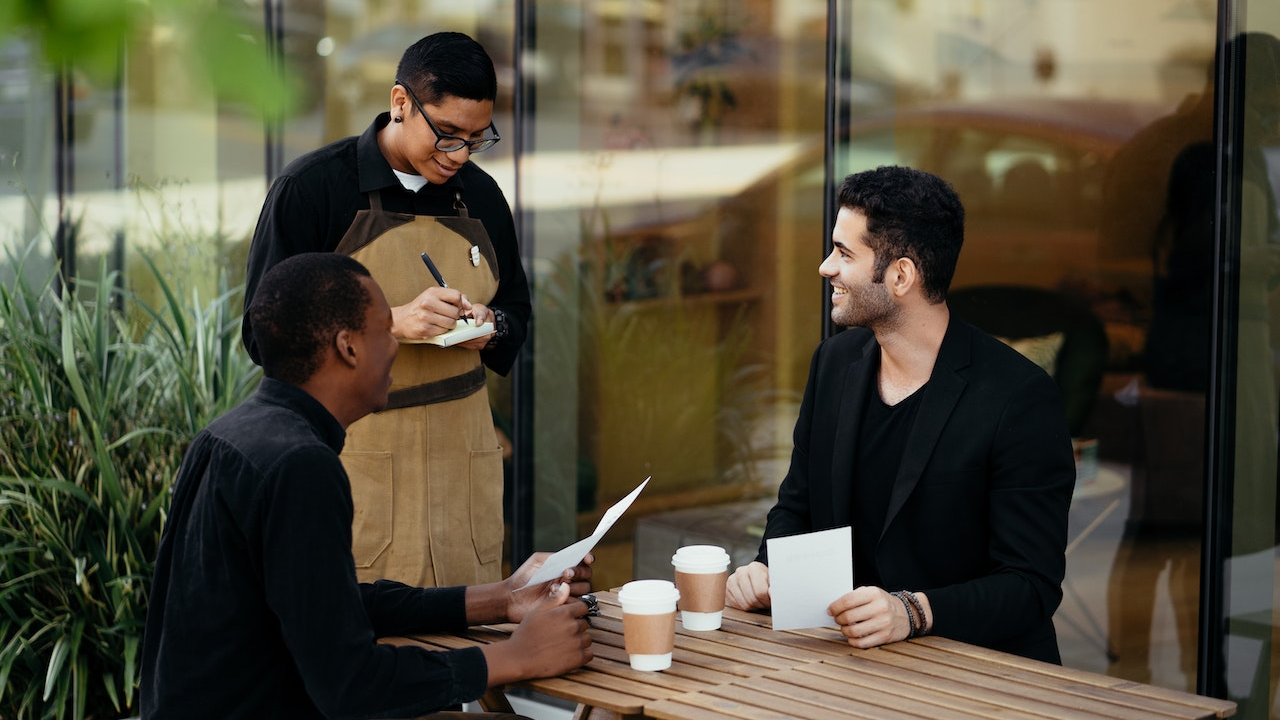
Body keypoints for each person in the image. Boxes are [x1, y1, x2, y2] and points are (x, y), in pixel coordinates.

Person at [141, 253, 591, 720]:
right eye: (384, 329)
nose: (395, 345)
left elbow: (333, 606)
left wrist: (502, 598)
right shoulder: (300, 464)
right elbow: (350, 685)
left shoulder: (226, 436)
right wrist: (514, 657)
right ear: (348, 348)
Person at [725, 166, 1076, 664]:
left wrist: (913, 612)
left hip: (978, 674)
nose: (826, 267)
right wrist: (766, 569)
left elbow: (1030, 585)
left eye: (844, 253)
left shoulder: (1019, 396)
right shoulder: (834, 364)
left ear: (901, 275)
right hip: (852, 661)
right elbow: (797, 505)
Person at [241, 31, 530, 588]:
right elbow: (264, 333)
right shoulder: (313, 189)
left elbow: (517, 310)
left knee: (472, 633)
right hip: (356, 466)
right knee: (359, 627)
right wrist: (390, 323)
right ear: (401, 102)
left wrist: (490, 326)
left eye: (477, 139)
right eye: (446, 134)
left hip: (463, 478)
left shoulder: (484, 198)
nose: (459, 154)